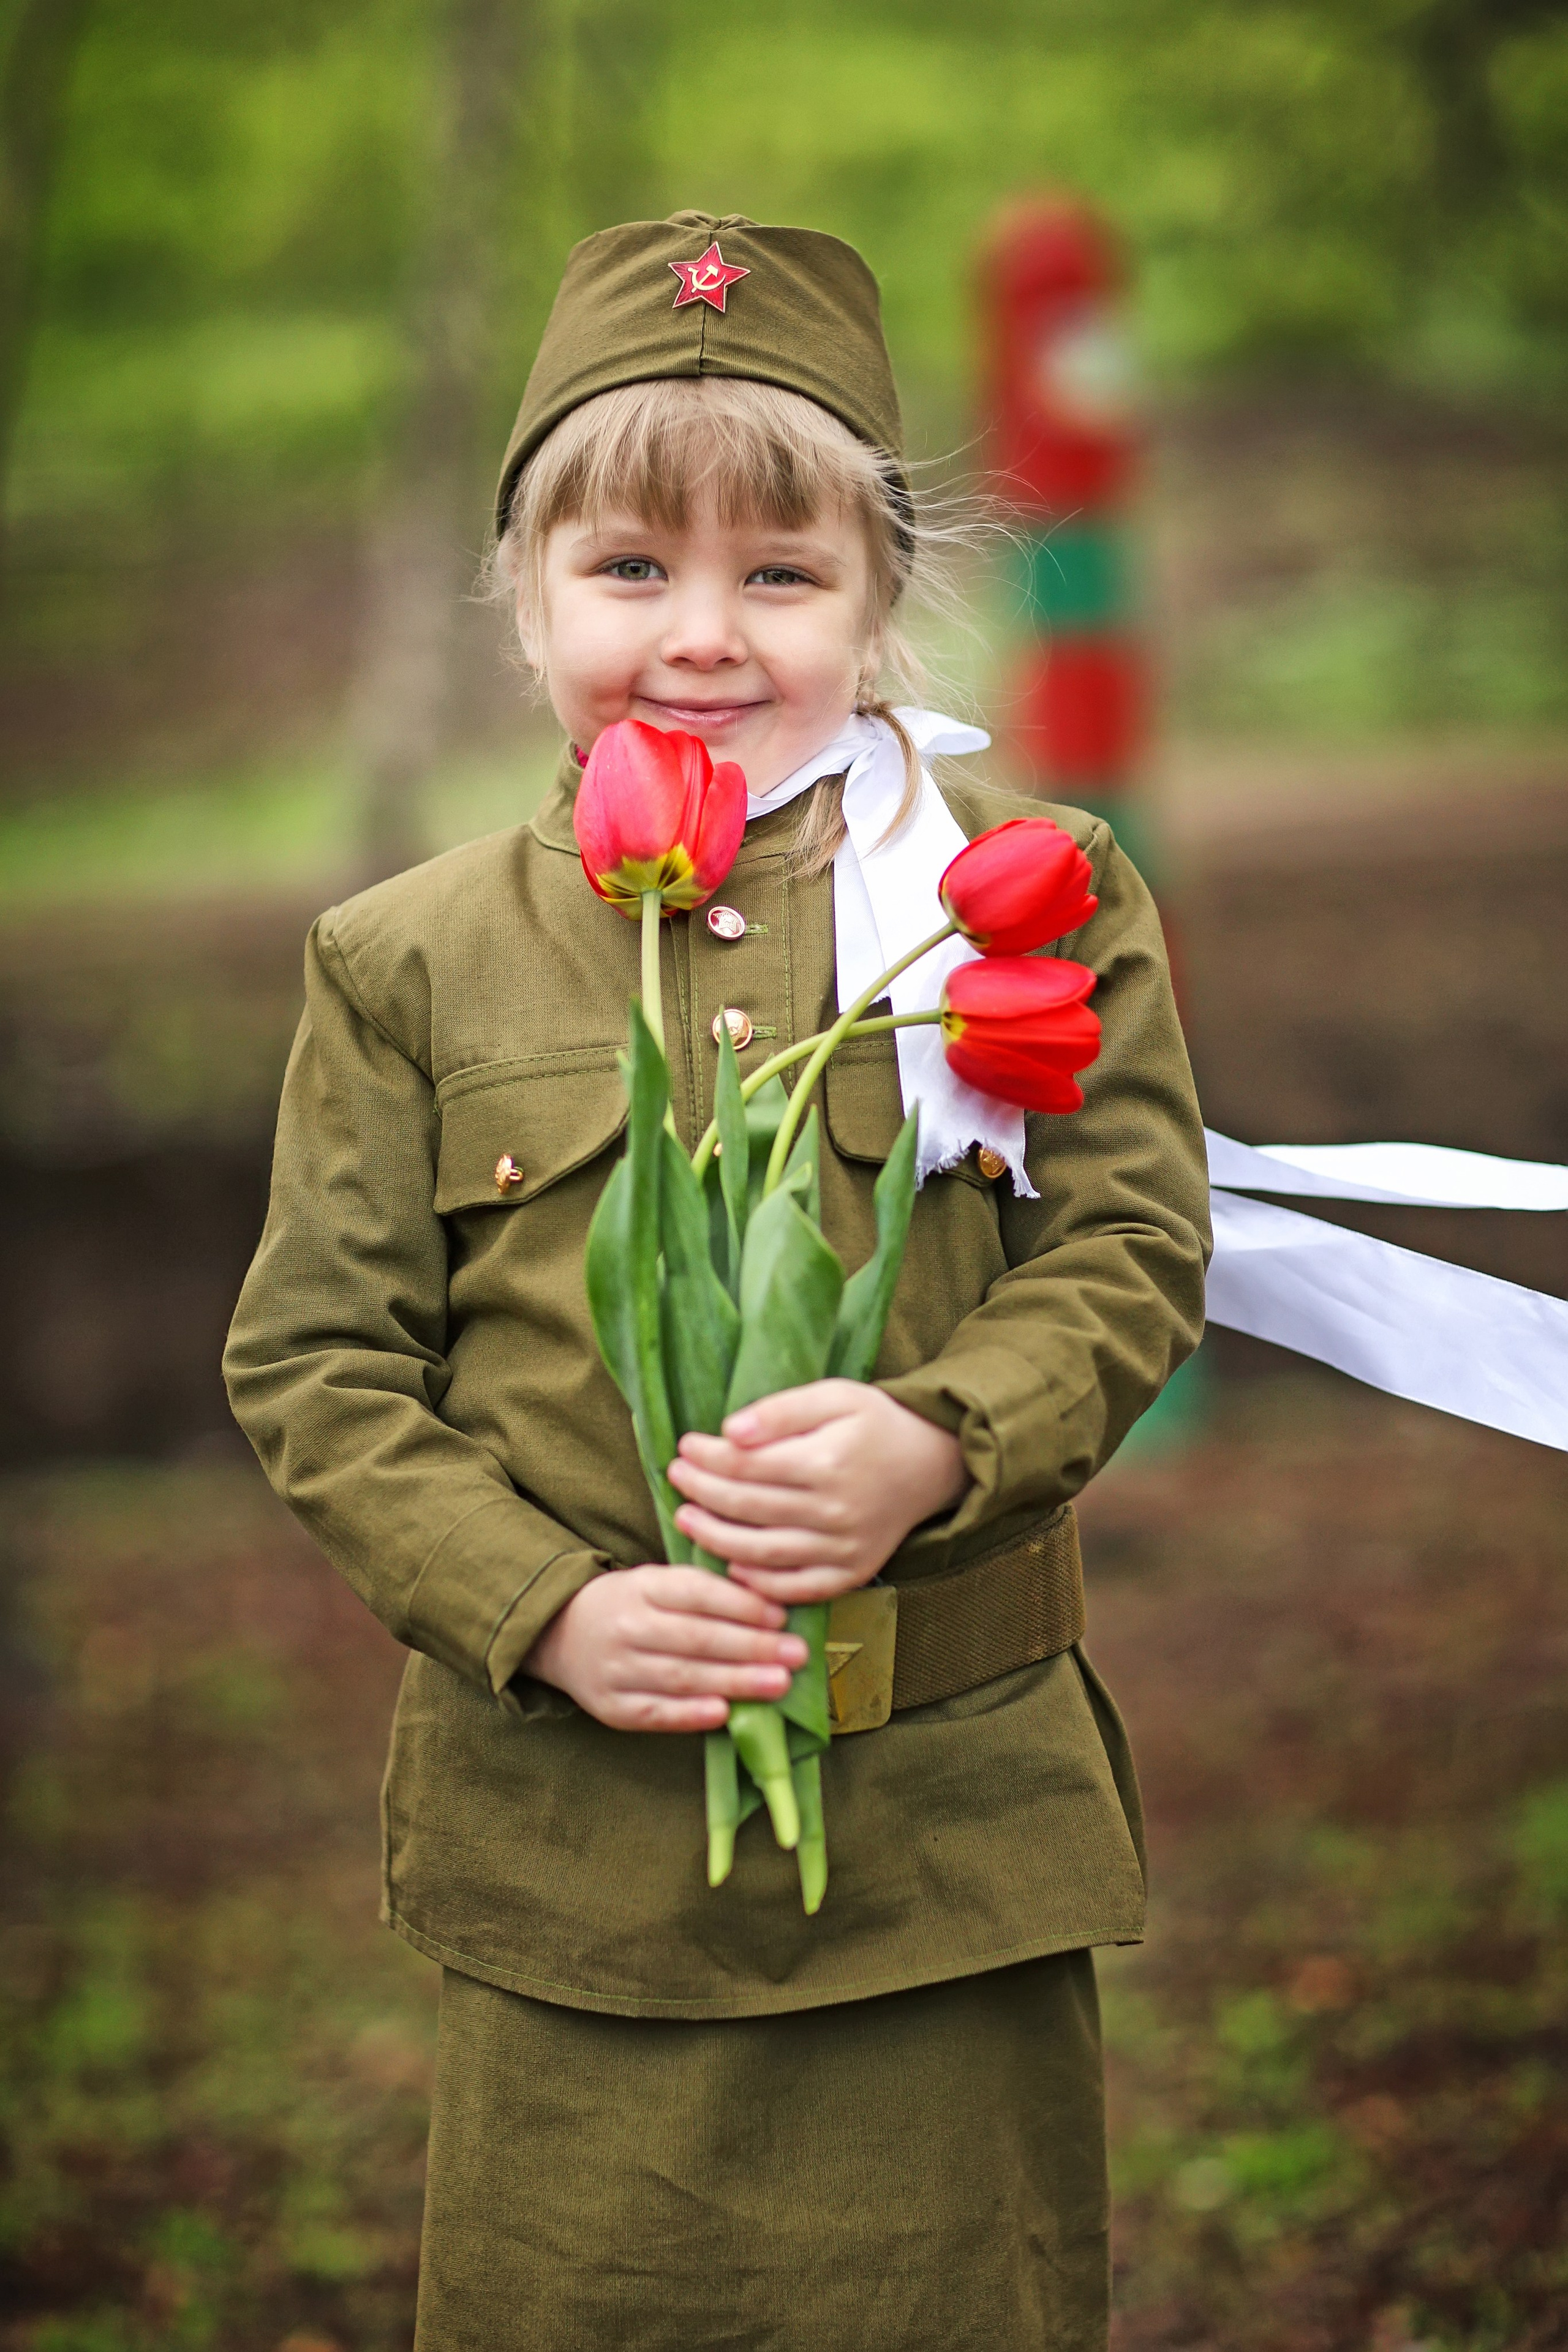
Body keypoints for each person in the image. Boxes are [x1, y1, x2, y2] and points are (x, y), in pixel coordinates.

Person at [224, 209, 1210, 2352]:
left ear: (882, 598)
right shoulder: (410, 959)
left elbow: (1133, 1243)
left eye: (782, 573)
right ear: (525, 597)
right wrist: (541, 1605)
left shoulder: (1022, 901)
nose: (704, 635)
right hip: (577, 1871)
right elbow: (318, 1362)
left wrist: (938, 1441)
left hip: (947, 1839)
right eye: (629, 571)